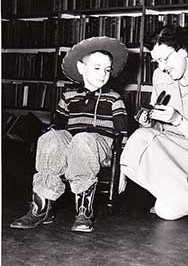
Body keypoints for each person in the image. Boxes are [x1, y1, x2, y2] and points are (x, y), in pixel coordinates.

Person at [10, 36, 128, 232]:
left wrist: (123, 170)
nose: (103, 74)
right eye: (97, 68)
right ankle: (42, 207)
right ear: (81, 68)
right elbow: (58, 125)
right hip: (73, 143)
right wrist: (53, 135)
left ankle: (84, 210)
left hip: (100, 147)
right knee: (51, 137)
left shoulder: (114, 99)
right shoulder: (68, 96)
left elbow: (122, 135)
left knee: (83, 139)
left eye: (107, 70)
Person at [119, 25, 188, 220]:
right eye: (156, 62)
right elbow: (157, 128)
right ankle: (184, 191)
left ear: (183, 51)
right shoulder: (159, 76)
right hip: (174, 150)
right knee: (139, 139)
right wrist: (149, 122)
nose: (161, 67)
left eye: (165, 59)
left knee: (165, 212)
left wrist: (178, 120)